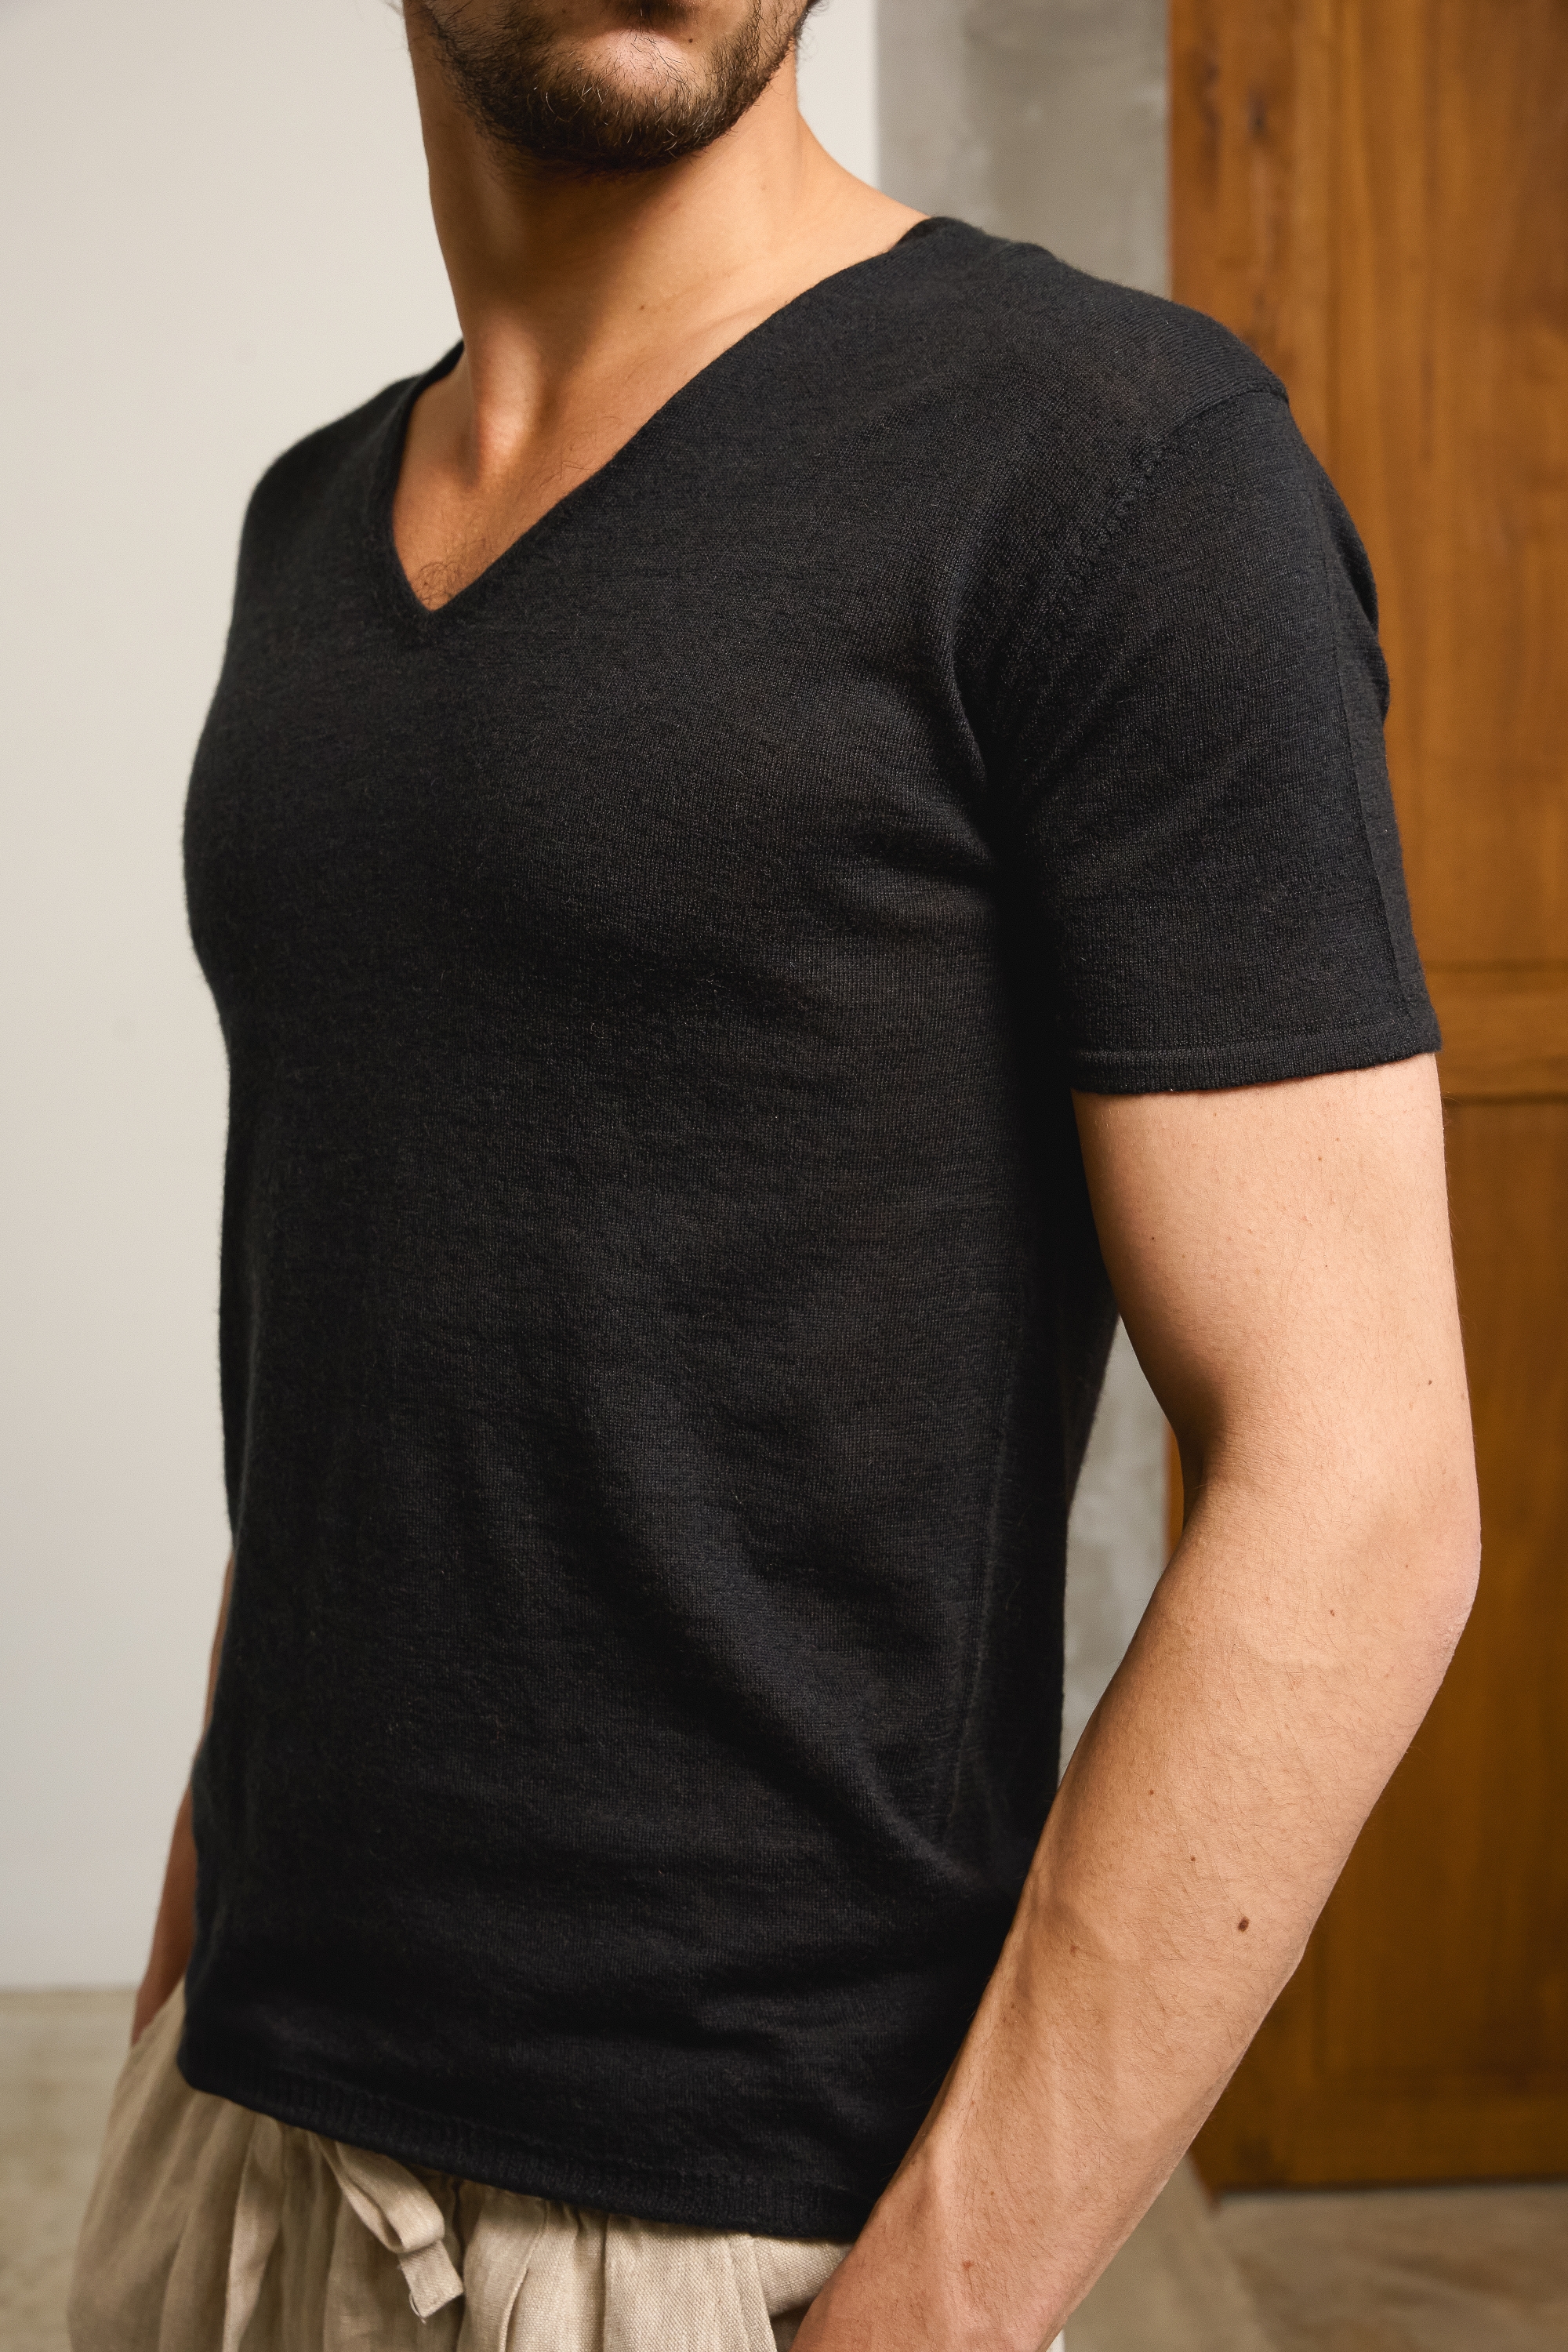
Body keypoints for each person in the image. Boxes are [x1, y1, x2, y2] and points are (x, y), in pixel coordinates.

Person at [69, 0, 1480, 2346]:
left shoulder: (1119, 462)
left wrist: (928, 2314)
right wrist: (172, 2028)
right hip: (235, 2146)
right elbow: (347, 1357)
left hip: (725, 2235)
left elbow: (1361, 1490)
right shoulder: (305, 524)